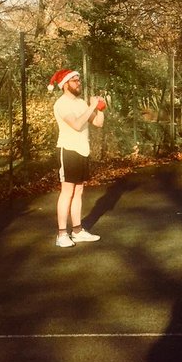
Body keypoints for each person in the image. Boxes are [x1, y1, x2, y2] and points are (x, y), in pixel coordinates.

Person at [50, 69, 105, 248]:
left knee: (79, 191)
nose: (78, 83)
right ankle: (61, 234)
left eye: (79, 80)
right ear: (65, 84)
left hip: (82, 150)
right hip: (68, 150)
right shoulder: (61, 104)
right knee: (67, 192)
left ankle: (77, 231)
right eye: (74, 80)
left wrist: (100, 107)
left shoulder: (81, 102)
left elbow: (98, 123)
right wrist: (91, 106)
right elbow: (76, 124)